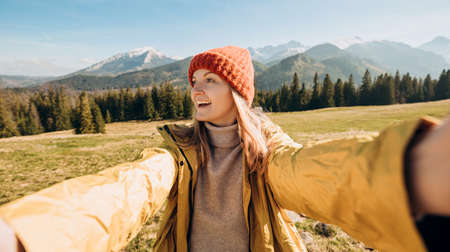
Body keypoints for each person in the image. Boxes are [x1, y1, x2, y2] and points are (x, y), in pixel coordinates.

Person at [0, 46, 449, 252]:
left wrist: (409, 169)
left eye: (210, 79)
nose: (196, 87)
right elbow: (126, 190)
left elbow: (307, 174)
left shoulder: (267, 149)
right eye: (194, 80)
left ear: (237, 92)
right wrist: (30, 234)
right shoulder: (176, 149)